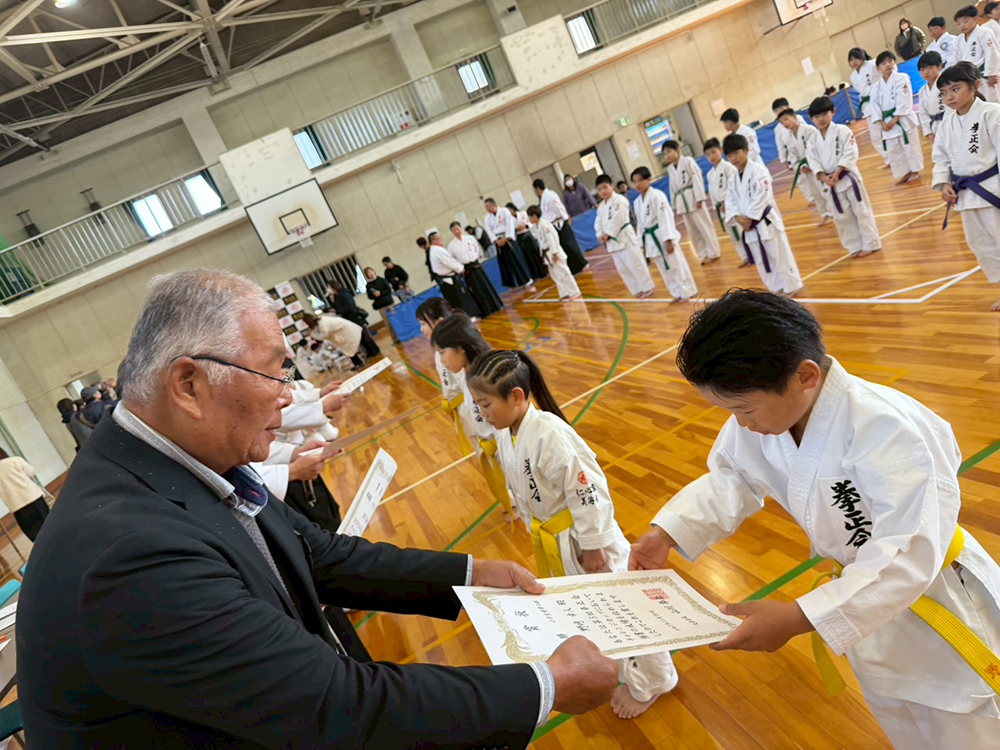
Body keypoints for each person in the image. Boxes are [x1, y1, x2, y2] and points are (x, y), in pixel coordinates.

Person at [18, 268, 619, 748]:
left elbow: (319, 553)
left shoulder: (172, 463)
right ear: (190, 385)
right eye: (278, 373)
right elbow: (335, 707)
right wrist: (545, 685)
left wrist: (467, 575)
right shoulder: (128, 552)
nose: (290, 397)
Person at [630, 289, 1000, 750]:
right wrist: (667, 531)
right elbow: (733, 478)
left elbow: (908, 551)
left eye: (743, 409)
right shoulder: (772, 416)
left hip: (938, 601)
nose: (740, 424)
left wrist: (797, 617)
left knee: (968, 728)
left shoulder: (887, 428)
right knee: (907, 725)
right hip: (866, 610)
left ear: (805, 375)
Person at [468, 349, 679, 720]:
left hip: (585, 540)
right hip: (557, 540)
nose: (482, 414)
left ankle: (656, 679)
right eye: (478, 406)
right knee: (592, 611)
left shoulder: (550, 433)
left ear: (516, 396)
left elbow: (589, 491)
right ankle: (622, 668)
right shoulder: (510, 433)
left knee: (625, 610)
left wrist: (595, 545)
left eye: (485, 404)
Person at [430, 313, 518, 524]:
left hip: (505, 444)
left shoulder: (485, 376)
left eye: (443, 352)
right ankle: (514, 501)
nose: (442, 360)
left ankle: (518, 502)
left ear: (461, 348)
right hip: (491, 441)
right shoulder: (468, 375)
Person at [932, 61, 1000, 311]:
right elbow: (940, 157)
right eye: (944, 92)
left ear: (975, 86)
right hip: (966, 194)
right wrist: (943, 183)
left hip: (993, 190)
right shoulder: (946, 123)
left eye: (955, 89)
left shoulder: (992, 113)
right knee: (981, 245)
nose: (949, 97)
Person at [722, 134, 804, 296]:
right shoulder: (733, 178)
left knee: (779, 255)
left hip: (764, 221)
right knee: (761, 259)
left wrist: (750, 217)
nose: (733, 158)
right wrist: (738, 218)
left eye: (736, 153)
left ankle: (791, 285)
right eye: (729, 156)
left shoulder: (759, 170)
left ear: (746, 150)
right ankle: (775, 288)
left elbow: (763, 195)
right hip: (749, 227)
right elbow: (729, 201)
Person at [805, 96, 883, 259]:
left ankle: (871, 243)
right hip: (830, 182)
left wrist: (838, 171)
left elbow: (850, 152)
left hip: (847, 177)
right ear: (811, 119)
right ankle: (854, 246)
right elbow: (812, 160)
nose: (821, 119)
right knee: (841, 216)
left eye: (824, 114)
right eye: (817, 116)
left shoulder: (843, 131)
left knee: (860, 211)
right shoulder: (812, 140)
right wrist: (822, 176)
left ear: (833, 112)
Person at [630, 165, 698, 302]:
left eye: (640, 180)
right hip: (650, 239)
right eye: (634, 181)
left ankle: (688, 291)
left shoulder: (657, 195)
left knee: (676, 265)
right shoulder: (637, 202)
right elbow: (641, 225)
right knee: (664, 270)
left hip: (662, 235)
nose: (637, 184)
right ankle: (676, 293)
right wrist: (640, 243)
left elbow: (665, 217)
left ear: (648, 180)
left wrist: (668, 239)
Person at [416, 298, 469, 452]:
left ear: (439, 322)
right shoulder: (440, 350)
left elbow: (468, 386)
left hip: (470, 409)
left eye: (423, 323)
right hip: (461, 409)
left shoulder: (453, 351)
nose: (421, 329)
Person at [594, 173, 655, 298]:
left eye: (605, 187)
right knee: (623, 269)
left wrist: (608, 234)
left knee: (636, 264)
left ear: (612, 186)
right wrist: (600, 234)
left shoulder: (619, 200)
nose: (603, 191)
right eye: (600, 190)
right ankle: (636, 290)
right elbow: (598, 222)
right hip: (612, 243)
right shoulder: (601, 206)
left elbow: (618, 219)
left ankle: (647, 287)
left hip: (624, 237)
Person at [661, 140, 721, 265]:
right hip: (682, 201)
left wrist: (699, 198)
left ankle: (713, 252)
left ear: (677, 151)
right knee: (692, 231)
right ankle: (702, 254)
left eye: (669, 152)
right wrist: (674, 205)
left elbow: (696, 178)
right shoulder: (670, 169)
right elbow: (672, 187)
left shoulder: (688, 161)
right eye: (665, 154)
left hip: (693, 198)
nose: (667, 156)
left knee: (704, 226)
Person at [873, 50, 924, 184]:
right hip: (886, 122)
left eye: (890, 61)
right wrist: (881, 122)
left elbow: (905, 98)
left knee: (910, 147)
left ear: (894, 62)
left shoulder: (902, 77)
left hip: (903, 119)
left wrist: (895, 118)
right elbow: (874, 106)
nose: (887, 65)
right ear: (878, 68)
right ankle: (905, 172)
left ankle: (915, 171)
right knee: (894, 150)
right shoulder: (876, 87)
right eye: (883, 63)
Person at [777, 109, 834, 226]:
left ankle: (833, 212)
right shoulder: (788, 137)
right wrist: (800, 166)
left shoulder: (809, 130)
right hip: (805, 169)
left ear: (794, 117)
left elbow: (818, 147)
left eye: (787, 119)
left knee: (823, 190)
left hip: (817, 166)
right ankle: (824, 214)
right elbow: (792, 156)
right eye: (782, 123)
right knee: (815, 193)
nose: (785, 124)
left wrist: (810, 163)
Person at [704, 138, 748, 266]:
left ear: (720, 150)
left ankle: (751, 254)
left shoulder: (729, 167)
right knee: (733, 235)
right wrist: (715, 206)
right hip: (722, 208)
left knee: (740, 230)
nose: (711, 157)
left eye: (713, 152)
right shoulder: (710, 174)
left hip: (733, 205)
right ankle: (744, 256)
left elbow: (734, 185)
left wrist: (727, 202)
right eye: (708, 155)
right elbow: (712, 192)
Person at [445, 224, 503, 317]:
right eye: (454, 230)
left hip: (476, 265)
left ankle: (496, 305)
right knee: (476, 290)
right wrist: (460, 268)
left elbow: (477, 249)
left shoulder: (470, 238)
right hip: (467, 269)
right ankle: (485, 311)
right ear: (452, 232)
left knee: (486, 286)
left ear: (461, 228)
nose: (456, 231)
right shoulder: (451, 246)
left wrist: (478, 259)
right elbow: (453, 259)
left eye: (457, 229)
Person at [848, 48, 893, 169]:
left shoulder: (873, 64)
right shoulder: (852, 76)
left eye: (856, 58)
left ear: (862, 57)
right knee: (875, 136)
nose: (854, 62)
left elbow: (888, 71)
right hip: (867, 106)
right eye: (851, 60)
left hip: (880, 101)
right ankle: (887, 159)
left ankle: (895, 156)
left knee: (889, 130)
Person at [526, 205, 581, 301]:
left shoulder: (545, 224)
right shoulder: (538, 226)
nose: (529, 219)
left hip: (553, 252)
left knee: (563, 273)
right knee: (555, 275)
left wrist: (555, 253)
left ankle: (575, 292)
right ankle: (564, 293)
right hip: (547, 254)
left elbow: (553, 238)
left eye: (530, 217)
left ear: (534, 216)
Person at [533, 178, 588, 275]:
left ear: (537, 189)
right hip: (553, 224)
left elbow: (559, 207)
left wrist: (565, 218)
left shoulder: (550, 195)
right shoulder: (543, 199)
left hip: (560, 223)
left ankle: (582, 264)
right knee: (563, 247)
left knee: (570, 245)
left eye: (534, 190)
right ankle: (573, 268)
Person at [484, 198, 535, 292]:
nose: (486, 208)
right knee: (506, 263)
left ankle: (527, 279)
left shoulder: (504, 211)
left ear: (493, 205)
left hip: (508, 238)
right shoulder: (487, 218)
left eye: (487, 206)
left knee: (517, 259)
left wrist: (507, 238)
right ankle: (514, 283)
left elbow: (510, 224)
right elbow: (488, 230)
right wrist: (495, 241)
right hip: (498, 240)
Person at [427, 232, 482, 318]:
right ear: (434, 240)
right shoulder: (437, 250)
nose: (441, 240)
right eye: (439, 238)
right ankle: (468, 317)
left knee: (455, 301)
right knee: (460, 299)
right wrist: (461, 268)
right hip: (449, 280)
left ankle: (464, 317)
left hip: (446, 280)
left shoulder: (434, 250)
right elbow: (450, 262)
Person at [0, 448, 49, 541]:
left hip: (17, 506)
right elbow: (31, 472)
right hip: (34, 498)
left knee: (35, 534)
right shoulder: (14, 460)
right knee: (49, 524)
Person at [302, 311, 379, 371]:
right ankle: (358, 362)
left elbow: (324, 335)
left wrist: (312, 334)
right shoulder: (318, 323)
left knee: (359, 340)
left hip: (345, 330)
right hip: (342, 333)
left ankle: (373, 352)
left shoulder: (322, 322)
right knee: (348, 348)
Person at [955, 5, 1000, 104]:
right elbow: (957, 59)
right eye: (958, 23)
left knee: (993, 102)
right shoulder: (959, 39)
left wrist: (991, 73)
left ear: (975, 19)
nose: (962, 25)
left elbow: (992, 53)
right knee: (978, 104)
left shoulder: (984, 32)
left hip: (985, 74)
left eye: (965, 21)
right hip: (969, 78)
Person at [507, 202, 547, 282]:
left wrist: (525, 226)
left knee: (534, 254)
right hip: (519, 237)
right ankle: (534, 275)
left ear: (512, 209)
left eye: (509, 210)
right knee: (527, 256)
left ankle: (542, 272)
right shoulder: (510, 219)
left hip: (527, 235)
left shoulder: (522, 214)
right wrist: (516, 229)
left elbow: (530, 222)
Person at [918, 51, 947, 141]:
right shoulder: (922, 91)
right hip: (934, 127)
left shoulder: (947, 84)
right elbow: (923, 113)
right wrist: (928, 132)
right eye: (922, 69)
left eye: (930, 68)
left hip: (948, 123)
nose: (926, 72)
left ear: (939, 66)